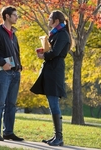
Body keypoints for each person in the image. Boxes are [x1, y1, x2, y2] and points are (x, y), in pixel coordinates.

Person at [30, 10, 71, 147]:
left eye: (50, 19)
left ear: (56, 21)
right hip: (51, 70)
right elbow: (52, 51)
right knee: (52, 103)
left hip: (55, 72)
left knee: (54, 103)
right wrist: (43, 50)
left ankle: (59, 137)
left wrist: (44, 55)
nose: (48, 21)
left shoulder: (62, 35)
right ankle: (56, 136)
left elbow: (56, 52)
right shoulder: (56, 34)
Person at [0, 6, 24, 142]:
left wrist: (19, 66)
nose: (17, 17)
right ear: (7, 16)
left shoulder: (13, 34)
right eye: (15, 15)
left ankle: (8, 132)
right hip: (3, 73)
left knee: (11, 104)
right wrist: (2, 63)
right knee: (0, 103)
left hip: (15, 73)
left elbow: (16, 53)